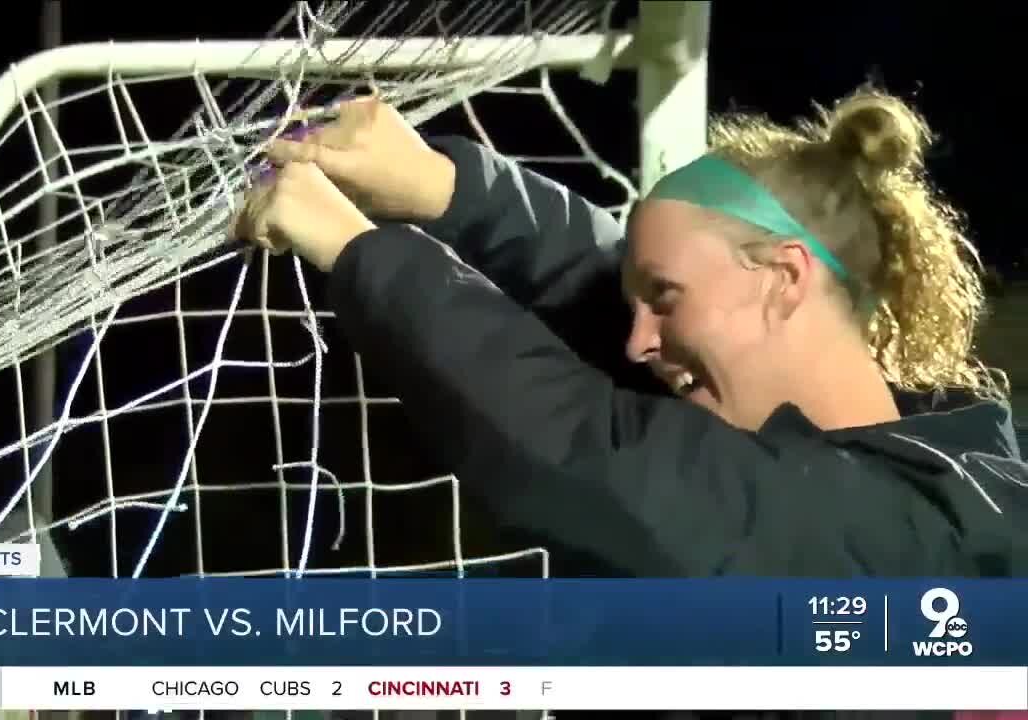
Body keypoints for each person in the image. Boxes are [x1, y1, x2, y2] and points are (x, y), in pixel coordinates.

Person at [233, 86, 1027, 576]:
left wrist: (360, 250)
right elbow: (609, 279)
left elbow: (591, 452)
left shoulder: (908, 541)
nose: (636, 342)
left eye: (666, 301)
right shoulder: (932, 461)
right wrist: (449, 189)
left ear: (785, 278)